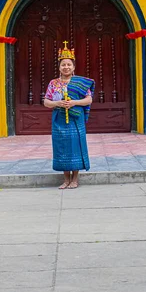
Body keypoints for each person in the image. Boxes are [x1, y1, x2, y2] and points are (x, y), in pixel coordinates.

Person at [44, 42, 94, 190]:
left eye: (69, 65)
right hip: (59, 119)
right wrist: (58, 103)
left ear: (73, 67)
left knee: (75, 147)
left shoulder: (80, 83)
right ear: (59, 67)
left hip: (75, 118)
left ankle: (75, 179)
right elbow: (46, 102)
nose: (66, 67)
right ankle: (65, 179)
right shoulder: (53, 83)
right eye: (63, 65)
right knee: (62, 147)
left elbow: (89, 100)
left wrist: (74, 103)